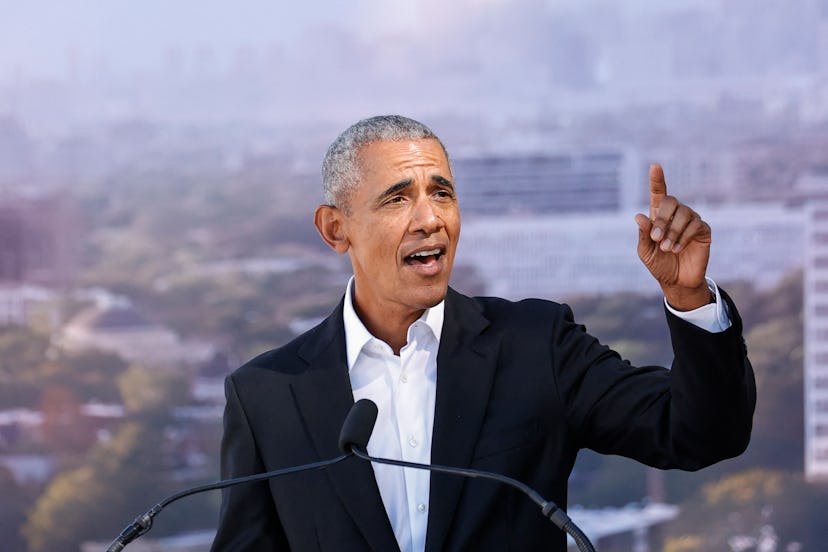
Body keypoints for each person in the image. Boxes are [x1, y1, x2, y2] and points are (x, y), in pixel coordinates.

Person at [211, 115, 755, 551]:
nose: (430, 219)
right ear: (336, 228)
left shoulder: (536, 344)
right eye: (399, 198)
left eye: (442, 193)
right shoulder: (267, 395)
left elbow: (700, 433)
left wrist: (689, 298)